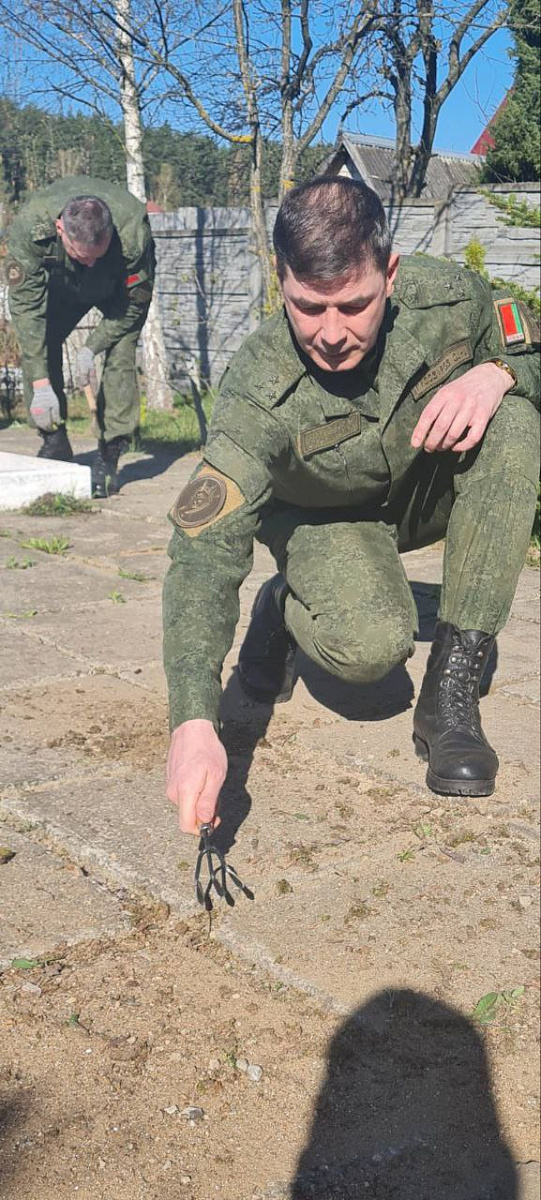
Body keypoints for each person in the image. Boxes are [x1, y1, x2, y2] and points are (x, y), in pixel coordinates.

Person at [163, 177, 539, 834]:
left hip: (416, 492)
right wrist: (194, 721)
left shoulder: (448, 298)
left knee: (513, 421)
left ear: (389, 274)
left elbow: (526, 347)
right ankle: (284, 603)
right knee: (370, 649)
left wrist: (498, 374)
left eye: (355, 305)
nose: (332, 333)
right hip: (322, 519)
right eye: (308, 307)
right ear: (280, 278)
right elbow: (203, 550)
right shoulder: (256, 392)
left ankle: (449, 695)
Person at [5, 176, 155, 497]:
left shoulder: (132, 233)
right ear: (60, 229)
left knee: (120, 350)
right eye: (82, 255)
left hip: (116, 291)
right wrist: (40, 385)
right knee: (39, 341)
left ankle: (110, 453)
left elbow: (134, 305)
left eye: (98, 255)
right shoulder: (31, 228)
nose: (91, 262)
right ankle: (54, 440)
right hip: (62, 286)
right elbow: (27, 311)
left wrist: (92, 346)